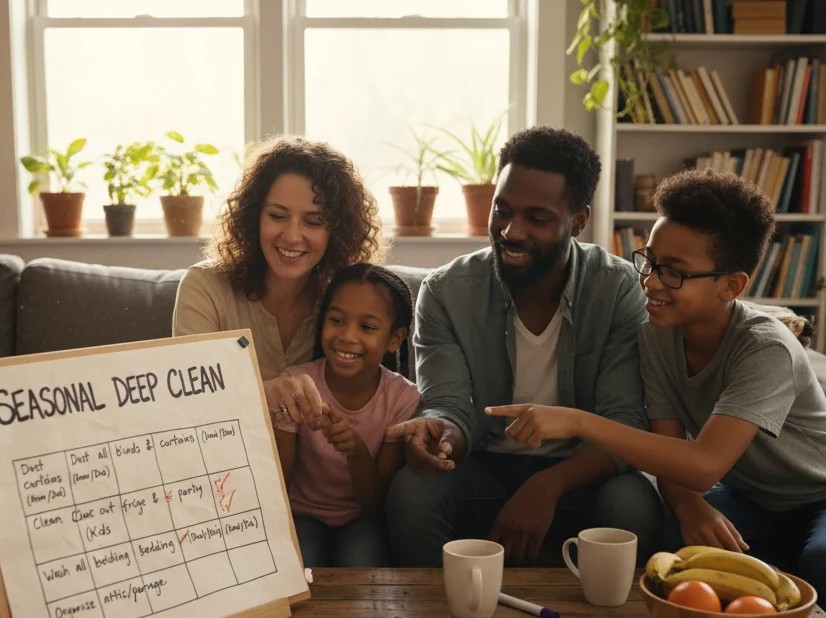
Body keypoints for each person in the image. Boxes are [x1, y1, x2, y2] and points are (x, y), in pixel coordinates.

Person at [485, 169, 826, 618]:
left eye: (673, 271)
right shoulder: (658, 334)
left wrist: (576, 420)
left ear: (731, 285)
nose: (650, 281)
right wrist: (686, 501)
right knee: (678, 537)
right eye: (649, 261)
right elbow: (668, 449)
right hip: (752, 496)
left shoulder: (766, 349)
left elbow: (704, 464)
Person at [385, 126, 663, 568]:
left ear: (577, 220)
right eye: (503, 210)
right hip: (484, 464)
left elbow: (623, 422)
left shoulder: (617, 290)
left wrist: (547, 485)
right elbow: (447, 404)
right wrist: (439, 437)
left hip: (580, 469)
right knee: (412, 492)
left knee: (631, 503)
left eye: (537, 218)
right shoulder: (446, 292)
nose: (511, 231)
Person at [173, 136, 383, 431]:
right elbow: (189, 403)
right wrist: (266, 393)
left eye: (313, 222)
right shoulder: (204, 288)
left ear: (336, 231)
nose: (292, 237)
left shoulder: (343, 302)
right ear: (253, 217)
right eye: (277, 216)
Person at [274, 264, 420, 567]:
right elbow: (280, 482)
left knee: (361, 564)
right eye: (337, 320)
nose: (347, 336)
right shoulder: (297, 384)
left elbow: (376, 505)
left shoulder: (402, 399)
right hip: (302, 514)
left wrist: (357, 452)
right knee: (304, 563)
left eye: (367, 327)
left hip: (361, 519)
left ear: (394, 339)